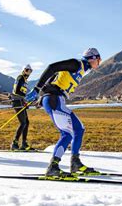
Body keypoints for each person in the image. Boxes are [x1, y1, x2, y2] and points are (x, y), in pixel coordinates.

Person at [25, 48, 102, 177]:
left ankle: (75, 163)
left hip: (56, 99)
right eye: (99, 59)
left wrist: (41, 97)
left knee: (79, 128)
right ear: (92, 58)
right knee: (67, 133)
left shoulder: (81, 69)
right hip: (54, 99)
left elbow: (54, 78)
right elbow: (52, 67)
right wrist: (38, 89)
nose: (99, 62)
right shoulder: (76, 64)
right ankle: (53, 167)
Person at [10, 64, 34, 151]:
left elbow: (21, 92)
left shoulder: (25, 80)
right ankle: (14, 143)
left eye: (31, 71)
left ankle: (24, 143)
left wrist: (26, 99)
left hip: (21, 101)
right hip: (17, 101)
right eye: (27, 70)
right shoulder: (20, 78)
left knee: (26, 122)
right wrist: (26, 96)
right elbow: (17, 91)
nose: (29, 72)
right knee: (23, 123)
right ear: (24, 70)